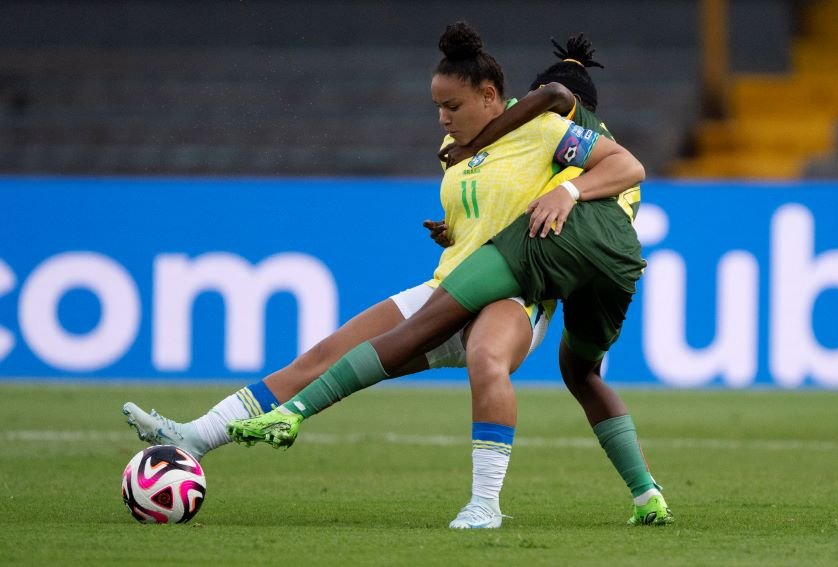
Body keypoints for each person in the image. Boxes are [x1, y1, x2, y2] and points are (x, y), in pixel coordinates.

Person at [123, 24, 623, 528]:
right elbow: (490, 213)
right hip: (446, 287)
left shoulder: (542, 129)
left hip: (514, 294)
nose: (443, 119)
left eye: (452, 106)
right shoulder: (457, 155)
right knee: (321, 357)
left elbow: (626, 166)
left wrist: (569, 193)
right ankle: (197, 436)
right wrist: (454, 232)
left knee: (487, 359)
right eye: (438, 108)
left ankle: (485, 505)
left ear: (490, 96)